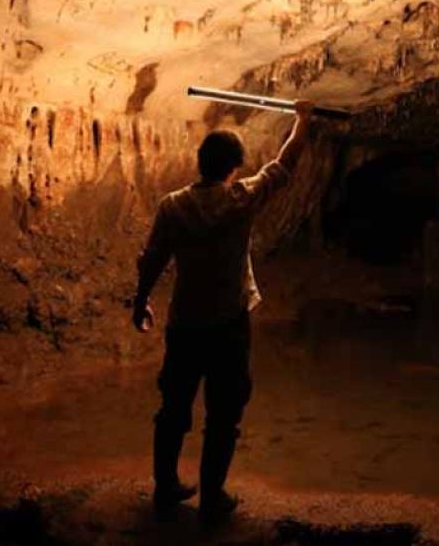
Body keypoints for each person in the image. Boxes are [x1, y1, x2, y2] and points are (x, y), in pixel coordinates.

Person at [132, 100, 315, 523]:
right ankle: (212, 497)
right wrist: (303, 120)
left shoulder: (172, 206)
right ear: (234, 166)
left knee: (174, 407)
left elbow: (153, 258)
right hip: (228, 325)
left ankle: (165, 487)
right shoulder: (241, 197)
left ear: (200, 163)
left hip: (185, 324)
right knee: (224, 412)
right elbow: (284, 165)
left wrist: (140, 301)